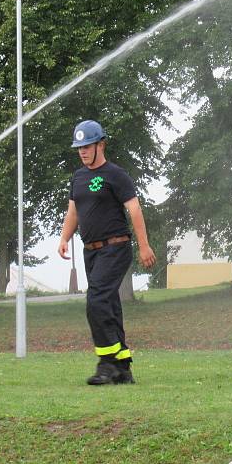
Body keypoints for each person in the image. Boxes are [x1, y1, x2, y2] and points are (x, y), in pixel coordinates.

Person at [58, 120, 156, 385]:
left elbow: (134, 210)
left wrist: (144, 245)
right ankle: (123, 368)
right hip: (91, 251)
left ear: (101, 144)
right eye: (79, 147)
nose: (82, 151)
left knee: (96, 301)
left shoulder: (116, 174)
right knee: (109, 304)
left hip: (115, 247)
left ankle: (107, 363)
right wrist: (65, 237)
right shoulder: (78, 177)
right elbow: (73, 211)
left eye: (87, 146)